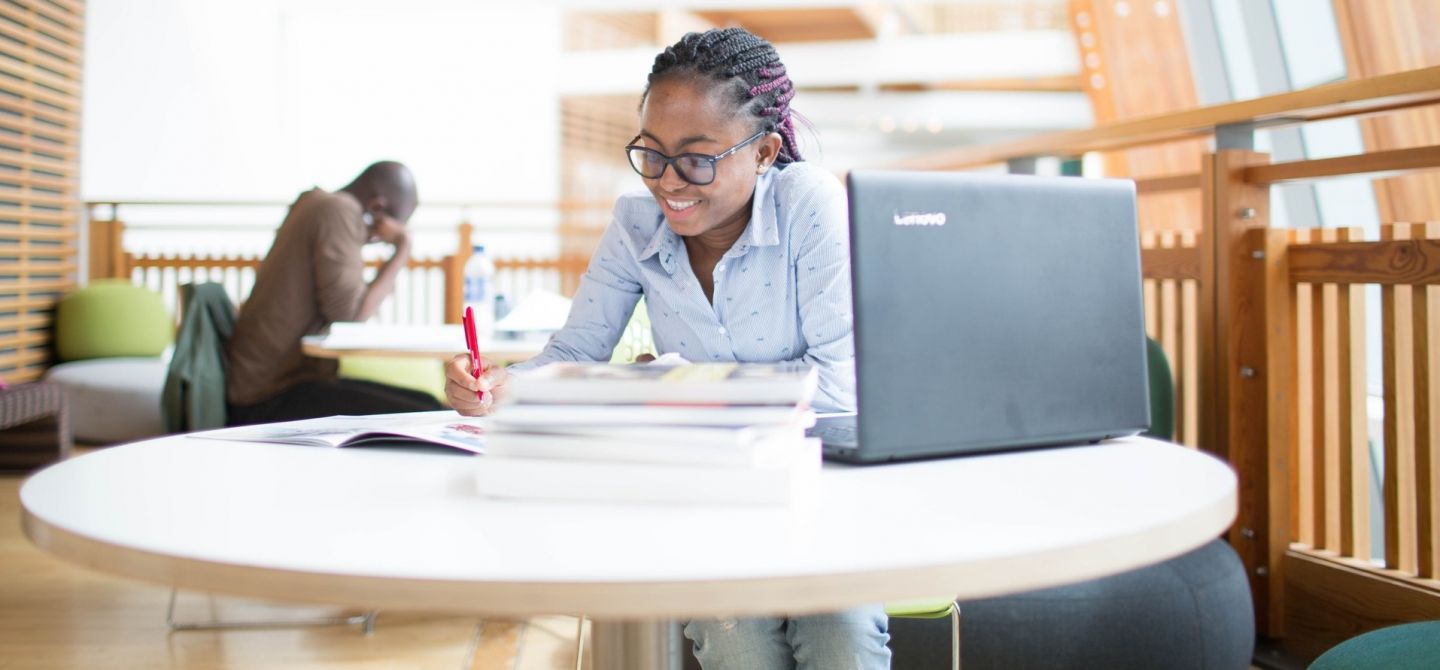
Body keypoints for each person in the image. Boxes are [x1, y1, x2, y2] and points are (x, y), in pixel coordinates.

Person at [445, 28, 888, 670]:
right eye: (650, 153)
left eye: (696, 158)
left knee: (839, 637)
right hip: (702, 492)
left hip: (823, 486)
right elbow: (575, 352)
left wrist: (675, 383)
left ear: (764, 152)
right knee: (734, 638)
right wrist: (501, 385)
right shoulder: (636, 224)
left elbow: (839, 387)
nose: (668, 181)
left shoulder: (808, 204)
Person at [225, 161, 443, 426]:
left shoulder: (315, 201)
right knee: (426, 418)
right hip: (267, 399)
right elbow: (349, 318)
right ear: (376, 208)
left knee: (429, 405)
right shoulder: (339, 210)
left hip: (277, 386)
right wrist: (403, 247)